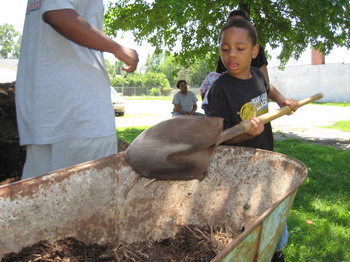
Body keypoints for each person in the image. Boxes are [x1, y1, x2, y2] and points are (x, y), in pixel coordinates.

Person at [16, 0, 139, 180]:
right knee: (93, 199)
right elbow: (57, 14)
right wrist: (117, 48)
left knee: (42, 201)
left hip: (42, 110)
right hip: (79, 113)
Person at [208, 18, 298, 261]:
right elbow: (217, 138)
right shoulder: (220, 89)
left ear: (254, 51)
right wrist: (245, 133)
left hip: (265, 157)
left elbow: (268, 88)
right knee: (247, 216)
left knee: (272, 210)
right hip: (238, 168)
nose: (231, 55)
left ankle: (273, 250)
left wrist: (281, 100)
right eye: (225, 49)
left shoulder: (258, 75)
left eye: (240, 48)